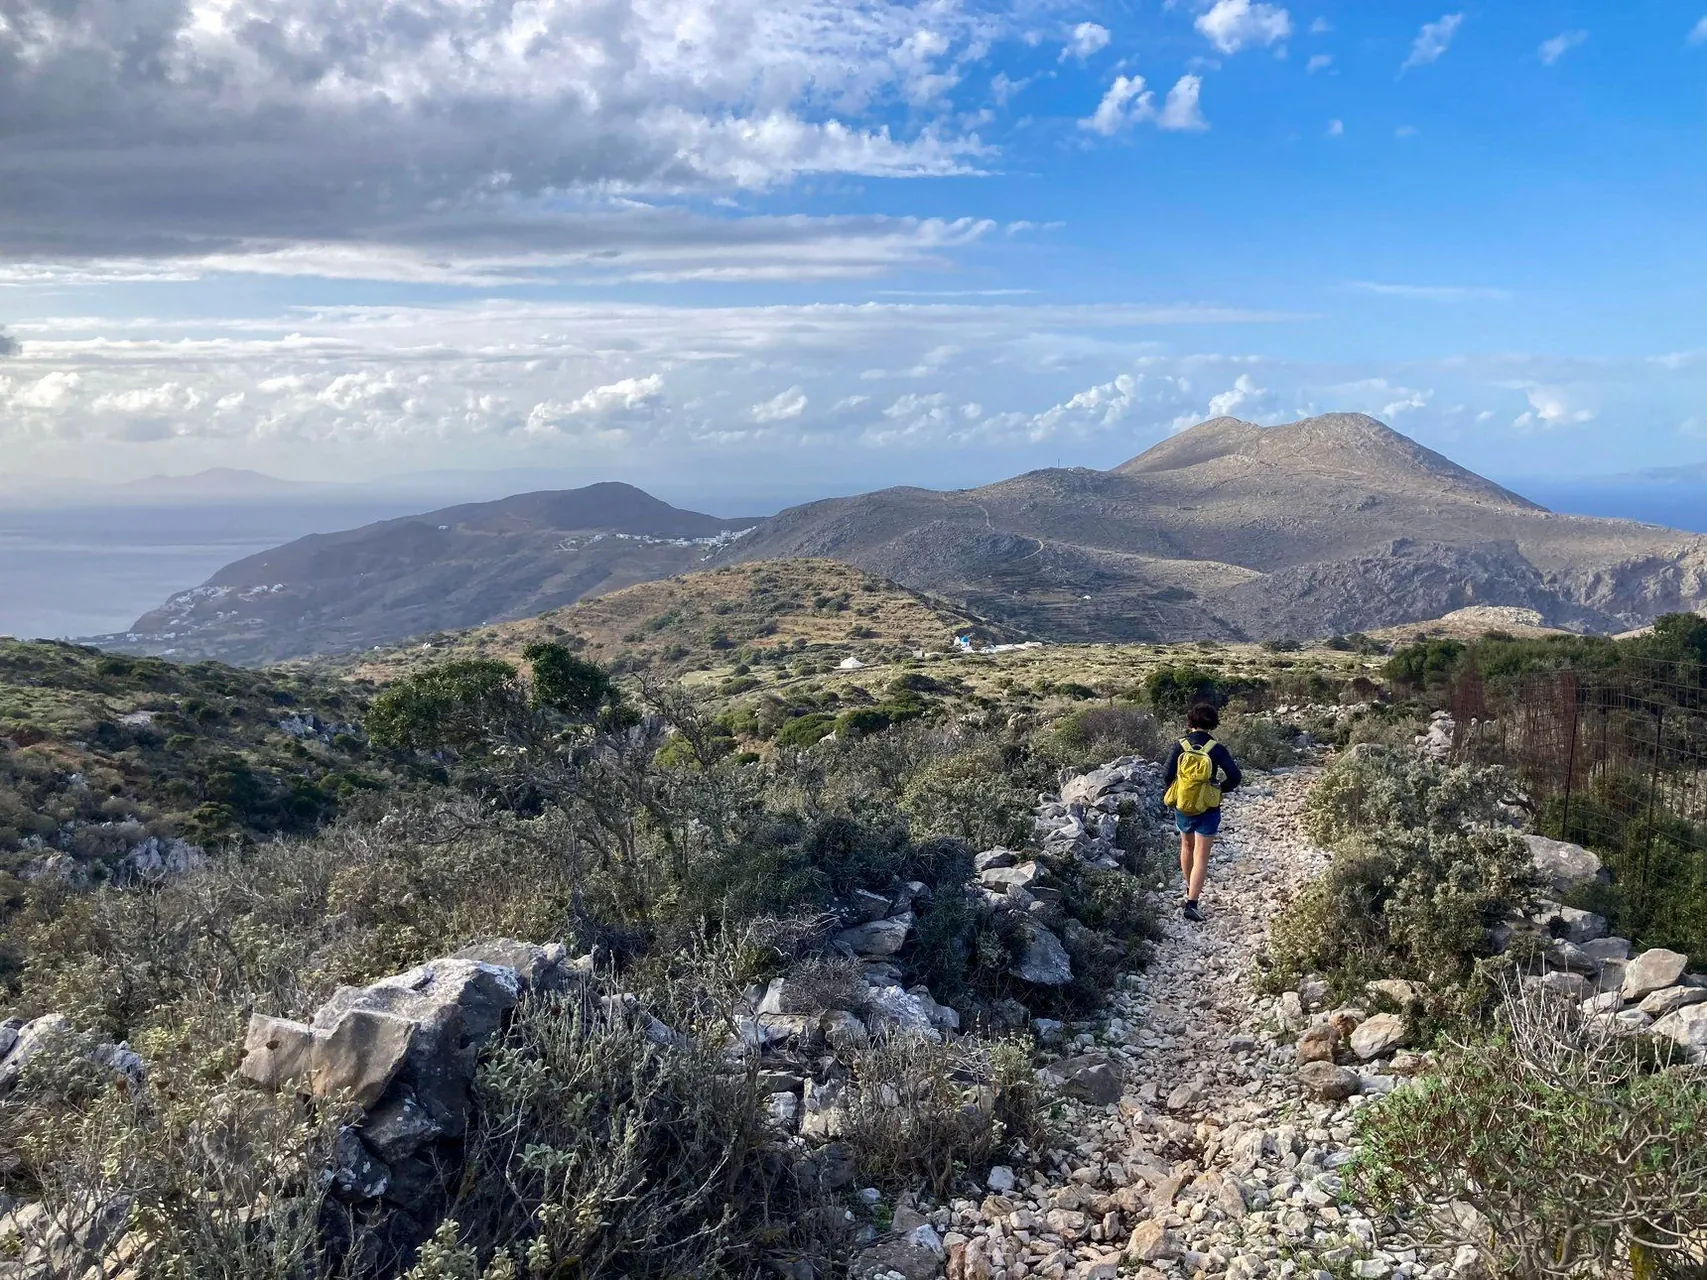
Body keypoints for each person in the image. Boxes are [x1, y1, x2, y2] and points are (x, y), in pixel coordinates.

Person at [1161, 701, 1242, 922]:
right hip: (1208, 807)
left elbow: (1167, 775)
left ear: (1190, 722)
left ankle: (1189, 889)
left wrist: (1181, 790)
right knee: (1202, 855)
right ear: (1213, 723)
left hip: (1183, 806)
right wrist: (1219, 789)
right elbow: (1235, 777)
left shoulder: (1179, 746)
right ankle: (1192, 903)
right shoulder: (1216, 749)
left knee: (1186, 847)